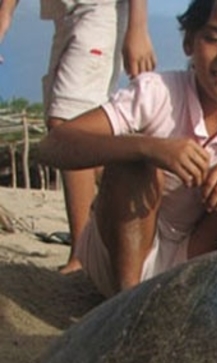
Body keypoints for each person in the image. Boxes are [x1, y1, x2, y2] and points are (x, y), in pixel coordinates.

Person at [39, 0, 217, 297]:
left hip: (191, 263)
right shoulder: (156, 94)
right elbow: (52, 146)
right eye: (213, 38)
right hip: (121, 258)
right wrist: (148, 147)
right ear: (189, 41)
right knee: (134, 162)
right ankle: (128, 306)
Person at [42, 0, 157, 274]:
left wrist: (138, 28)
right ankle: (145, 205)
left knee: (67, 123)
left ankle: (80, 254)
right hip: (65, 13)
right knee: (61, 124)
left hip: (99, 9)